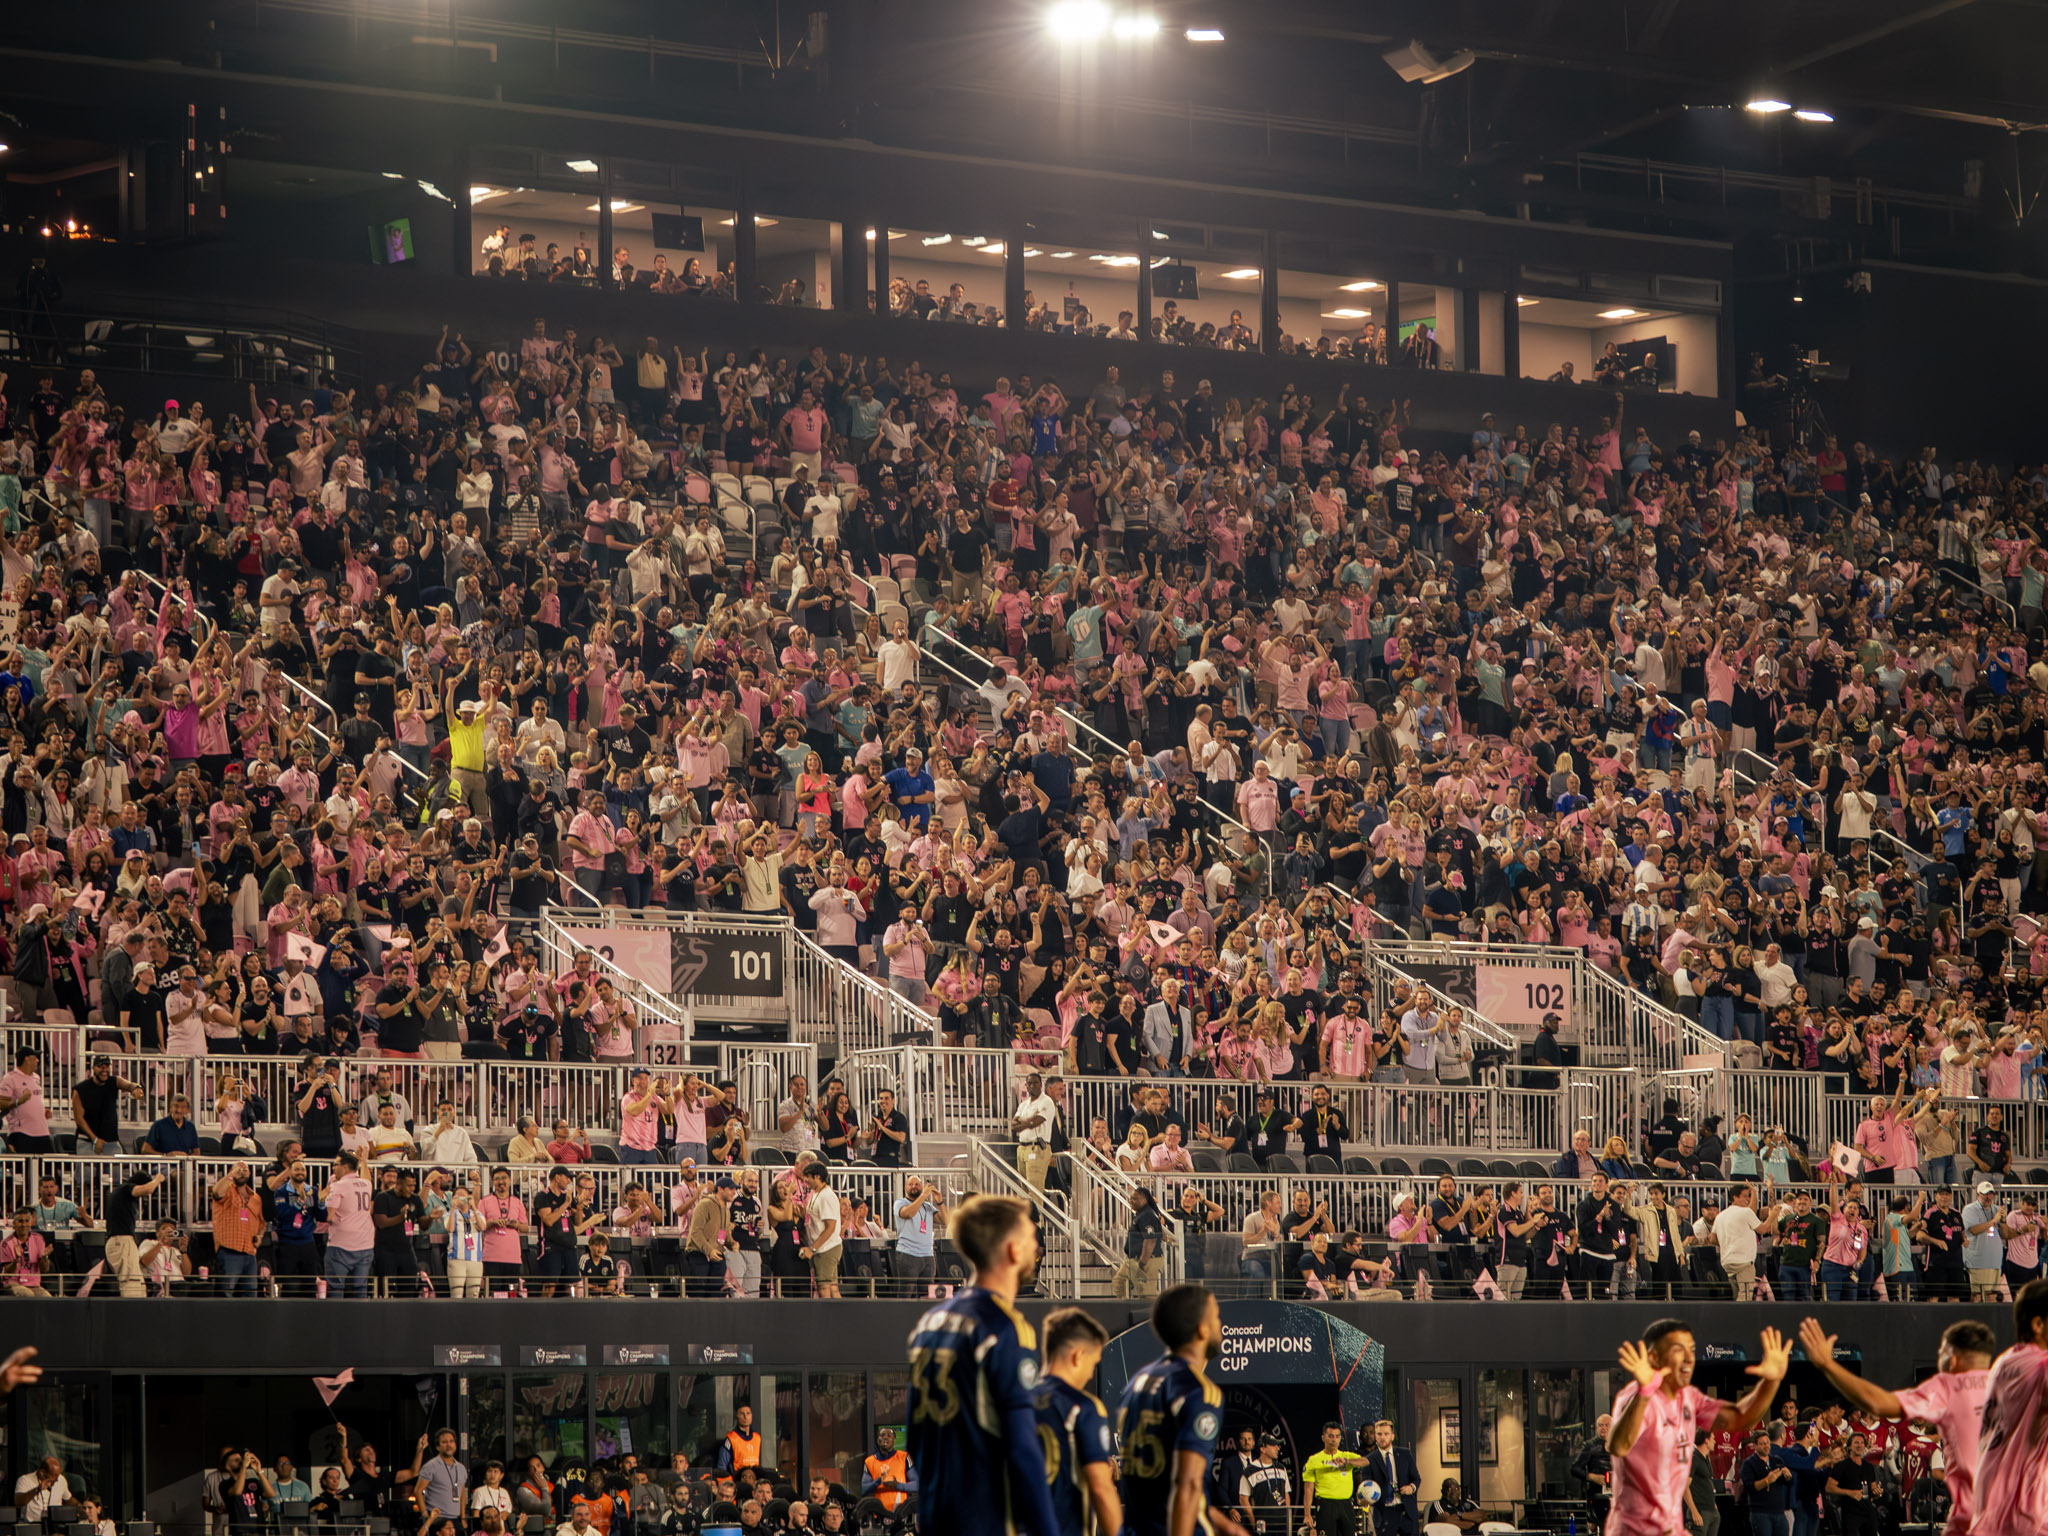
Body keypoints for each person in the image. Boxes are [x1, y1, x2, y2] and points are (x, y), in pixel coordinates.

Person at [905, 1194, 1062, 1536]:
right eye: (1030, 1237)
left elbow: (916, 1435)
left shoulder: (929, 1323)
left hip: (935, 1514)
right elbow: (1023, 1448)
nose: (1037, 1246)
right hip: (983, 1516)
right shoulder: (1005, 1327)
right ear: (1012, 1249)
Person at [1795, 1316, 1991, 1536]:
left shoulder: (1946, 1389)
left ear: (1953, 1359)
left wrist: (1828, 1365)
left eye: (1943, 1353)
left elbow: (1877, 1402)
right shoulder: (2005, 1386)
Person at [1606, 1321, 1792, 1536]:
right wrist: (1645, 1393)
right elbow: (1618, 1445)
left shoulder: (1688, 1397)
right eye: (1678, 1349)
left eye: (1692, 1349)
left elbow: (1741, 1417)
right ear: (1654, 1358)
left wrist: (1771, 1381)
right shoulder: (1633, 1396)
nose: (1688, 1358)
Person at [1115, 1283, 1249, 1536]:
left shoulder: (1138, 1382)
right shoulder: (1199, 1392)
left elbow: (1163, 1485)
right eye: (1216, 1317)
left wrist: (1227, 1527)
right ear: (1202, 1329)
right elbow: (1187, 1485)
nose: (1221, 1325)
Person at [1034, 1308, 1120, 1536]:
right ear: (1078, 1356)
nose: (1091, 1374)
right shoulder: (1082, 1407)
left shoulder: (1014, 1402)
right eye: (1093, 1364)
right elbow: (1101, 1488)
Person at [1972, 1277, 2048, 1536]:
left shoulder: (2005, 1361)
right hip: (2021, 1512)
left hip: (1995, 1505)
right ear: (2038, 1324)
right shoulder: (2040, 1367)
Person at [1301, 1420, 1372, 1536]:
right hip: (1326, 1505)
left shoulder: (1346, 1456)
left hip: (1346, 1504)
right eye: (1330, 1436)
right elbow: (1308, 1489)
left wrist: (1347, 1462)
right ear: (1323, 1438)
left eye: (1337, 1436)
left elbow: (1366, 1461)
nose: (1334, 1440)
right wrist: (1307, 1514)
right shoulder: (1314, 1460)